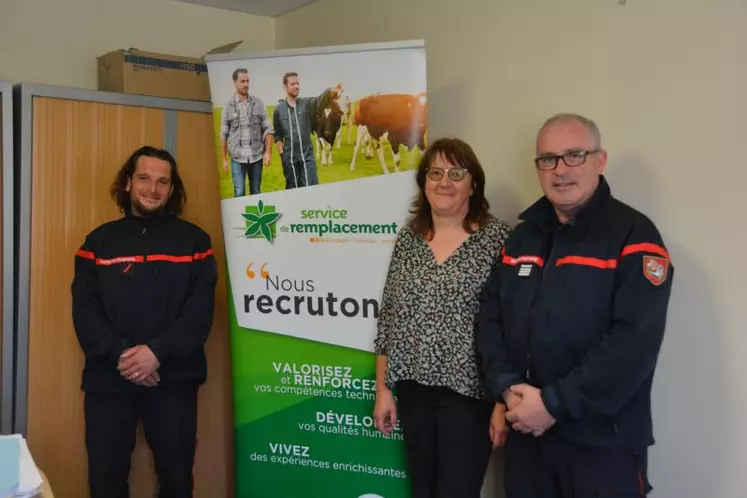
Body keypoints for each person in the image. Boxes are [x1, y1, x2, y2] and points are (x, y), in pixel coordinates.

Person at [477, 113, 674, 498]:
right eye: (548, 159)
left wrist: (552, 404)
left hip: (601, 444)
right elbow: (491, 318)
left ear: (599, 161)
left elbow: (633, 344)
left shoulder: (635, 235)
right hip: (527, 439)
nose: (560, 170)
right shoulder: (521, 238)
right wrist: (506, 388)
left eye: (573, 156)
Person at [71, 145, 218, 498]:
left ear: (172, 189)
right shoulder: (98, 242)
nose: (153, 189)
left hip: (174, 380)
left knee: (178, 480)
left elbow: (199, 314)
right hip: (108, 380)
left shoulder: (195, 242)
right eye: (144, 178)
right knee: (105, 481)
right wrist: (123, 356)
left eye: (162, 182)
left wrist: (157, 353)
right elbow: (85, 311)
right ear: (127, 183)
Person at [373, 137, 513, 498]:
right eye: (435, 172)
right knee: (422, 491)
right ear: (423, 181)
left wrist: (502, 403)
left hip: (469, 396)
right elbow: (388, 319)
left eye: (456, 173)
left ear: (473, 184)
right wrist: (383, 391)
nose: (444, 182)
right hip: (412, 390)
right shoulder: (409, 238)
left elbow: (511, 328)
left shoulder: (498, 239)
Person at [272, 72, 343, 189]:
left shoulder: (306, 104)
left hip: (307, 155)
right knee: (292, 190)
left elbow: (319, 100)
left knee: (311, 189)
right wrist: (281, 153)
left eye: (298, 83)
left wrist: (332, 90)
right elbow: (278, 134)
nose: (296, 86)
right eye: (292, 84)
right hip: (289, 159)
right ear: (285, 87)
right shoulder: (279, 110)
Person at [220, 68, 274, 196]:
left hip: (256, 157)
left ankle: (254, 216)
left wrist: (268, 152)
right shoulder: (228, 106)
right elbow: (223, 134)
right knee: (239, 193)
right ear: (235, 83)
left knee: (255, 192)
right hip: (237, 158)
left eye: (247, 81)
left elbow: (268, 128)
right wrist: (224, 159)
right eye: (242, 81)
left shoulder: (258, 103)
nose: (246, 84)